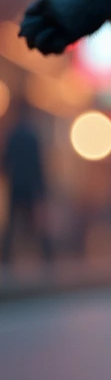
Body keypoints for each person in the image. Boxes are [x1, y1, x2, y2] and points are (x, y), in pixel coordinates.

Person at [1, 97, 52, 268]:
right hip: (30, 185)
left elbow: (6, 161)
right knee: (35, 222)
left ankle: (7, 256)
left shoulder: (13, 134)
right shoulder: (31, 135)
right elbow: (38, 164)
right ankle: (47, 256)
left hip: (17, 183)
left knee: (14, 222)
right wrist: (42, 188)